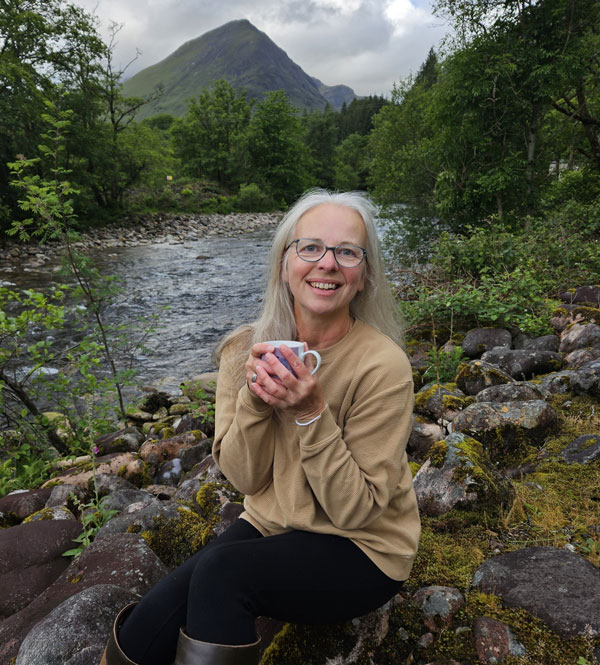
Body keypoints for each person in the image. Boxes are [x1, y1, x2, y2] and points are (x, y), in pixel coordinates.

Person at [100, 189, 420, 665]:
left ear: (364, 275)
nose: (327, 263)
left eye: (347, 252)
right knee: (148, 624)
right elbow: (247, 480)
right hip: (274, 525)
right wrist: (255, 397)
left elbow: (356, 511)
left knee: (224, 575)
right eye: (310, 247)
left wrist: (311, 413)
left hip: (366, 548)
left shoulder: (383, 367)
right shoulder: (244, 350)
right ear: (283, 263)